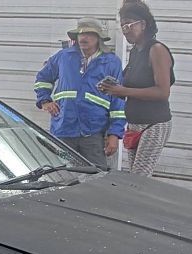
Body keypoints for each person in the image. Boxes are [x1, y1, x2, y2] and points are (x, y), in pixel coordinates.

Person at [34, 17, 126, 170]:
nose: (84, 37)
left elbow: (118, 101)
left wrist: (114, 134)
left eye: (89, 34)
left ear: (98, 38)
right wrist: (45, 101)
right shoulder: (63, 56)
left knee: (96, 176)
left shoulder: (111, 62)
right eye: (81, 34)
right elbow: (43, 78)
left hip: (93, 133)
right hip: (63, 130)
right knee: (62, 174)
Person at [100, 0, 175, 177]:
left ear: (143, 24)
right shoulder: (135, 51)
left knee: (140, 178)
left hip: (154, 123)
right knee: (135, 175)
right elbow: (128, 84)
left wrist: (122, 91)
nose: (125, 30)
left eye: (129, 25)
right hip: (134, 123)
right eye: (123, 26)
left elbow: (162, 92)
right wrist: (112, 87)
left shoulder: (156, 50)